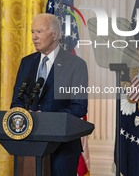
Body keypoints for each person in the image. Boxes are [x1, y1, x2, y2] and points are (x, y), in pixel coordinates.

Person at [11, 13, 88, 176]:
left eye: (39, 31)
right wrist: (22, 116)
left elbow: (79, 107)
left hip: (62, 148)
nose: (34, 37)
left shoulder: (76, 64)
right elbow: (17, 101)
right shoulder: (27, 62)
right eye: (32, 32)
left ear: (55, 35)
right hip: (28, 145)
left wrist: (44, 117)